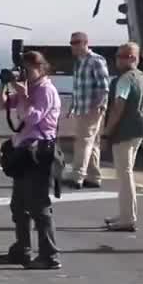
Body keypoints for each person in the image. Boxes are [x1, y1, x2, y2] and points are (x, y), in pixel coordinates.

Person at [0, 50, 62, 270]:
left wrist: (23, 95)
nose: (24, 72)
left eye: (28, 68)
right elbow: (0, 105)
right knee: (19, 205)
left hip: (39, 151)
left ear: (41, 68)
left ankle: (49, 255)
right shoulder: (30, 87)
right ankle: (22, 249)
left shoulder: (45, 90)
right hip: (23, 152)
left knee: (39, 207)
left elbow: (32, 117)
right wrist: (4, 85)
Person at [99, 42, 143, 232]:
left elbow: (118, 107)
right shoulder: (140, 76)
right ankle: (125, 213)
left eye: (121, 57)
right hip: (137, 130)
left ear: (133, 58)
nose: (117, 60)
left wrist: (106, 133)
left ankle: (127, 218)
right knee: (126, 173)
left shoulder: (124, 79)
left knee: (124, 175)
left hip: (124, 132)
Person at [65, 32, 109, 189]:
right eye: (72, 42)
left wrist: (95, 108)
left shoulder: (96, 60)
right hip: (81, 107)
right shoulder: (79, 62)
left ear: (85, 43)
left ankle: (77, 175)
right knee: (92, 142)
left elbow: (104, 88)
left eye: (76, 42)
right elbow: (78, 88)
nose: (73, 45)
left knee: (83, 142)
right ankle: (94, 176)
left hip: (91, 109)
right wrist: (72, 107)